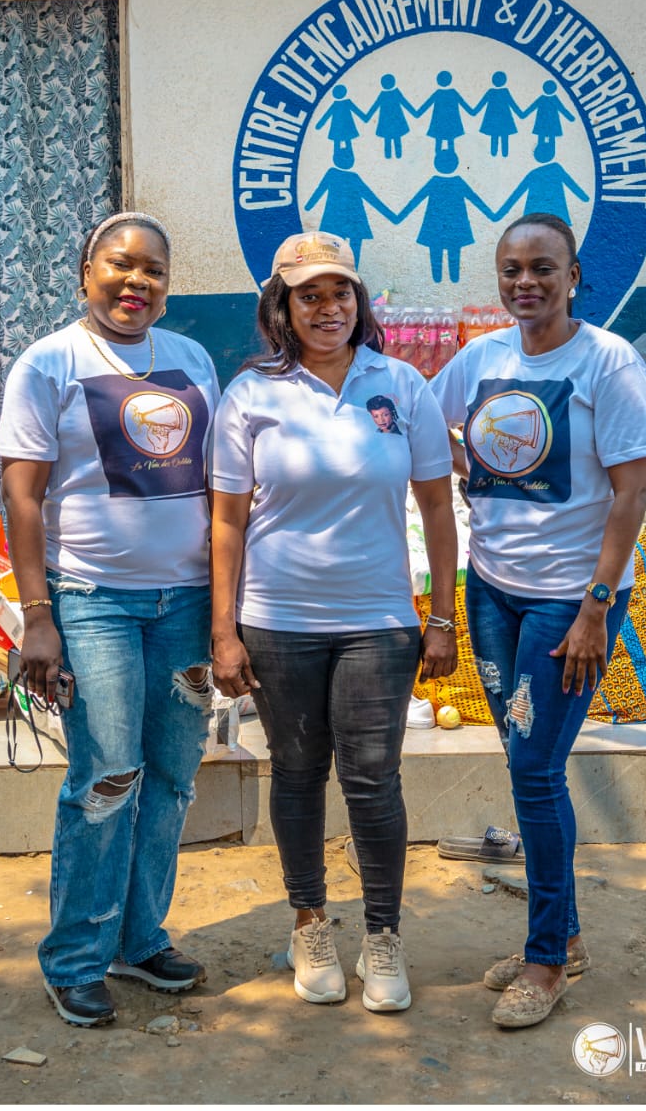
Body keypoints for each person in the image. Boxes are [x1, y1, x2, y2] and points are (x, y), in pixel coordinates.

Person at [209, 230, 458, 1013]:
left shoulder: (401, 385)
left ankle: (382, 936)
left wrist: (442, 617)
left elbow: (437, 507)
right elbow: (226, 520)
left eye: (339, 292)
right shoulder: (251, 394)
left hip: (377, 621)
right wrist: (224, 630)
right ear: (281, 308)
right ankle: (309, 923)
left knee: (373, 779)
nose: (327, 308)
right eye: (308, 295)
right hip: (277, 621)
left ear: (359, 299)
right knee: (295, 772)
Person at [431, 212, 646, 1029]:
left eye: (541, 269)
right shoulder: (480, 359)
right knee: (527, 762)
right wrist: (464, 464)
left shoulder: (606, 360)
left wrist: (596, 606)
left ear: (572, 278)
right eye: (510, 270)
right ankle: (560, 934)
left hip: (571, 601)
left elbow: (632, 491)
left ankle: (546, 961)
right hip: (491, 589)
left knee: (533, 771)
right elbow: (421, 421)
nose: (524, 282)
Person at [0, 211, 220, 1028]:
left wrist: (227, 611)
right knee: (106, 778)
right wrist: (37, 615)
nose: (136, 282)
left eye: (153, 269)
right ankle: (76, 958)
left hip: (185, 604)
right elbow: (22, 494)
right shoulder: (48, 362)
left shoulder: (192, 359)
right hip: (92, 601)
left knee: (172, 777)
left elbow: (219, 486)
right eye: (120, 265)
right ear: (86, 272)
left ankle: (138, 937)